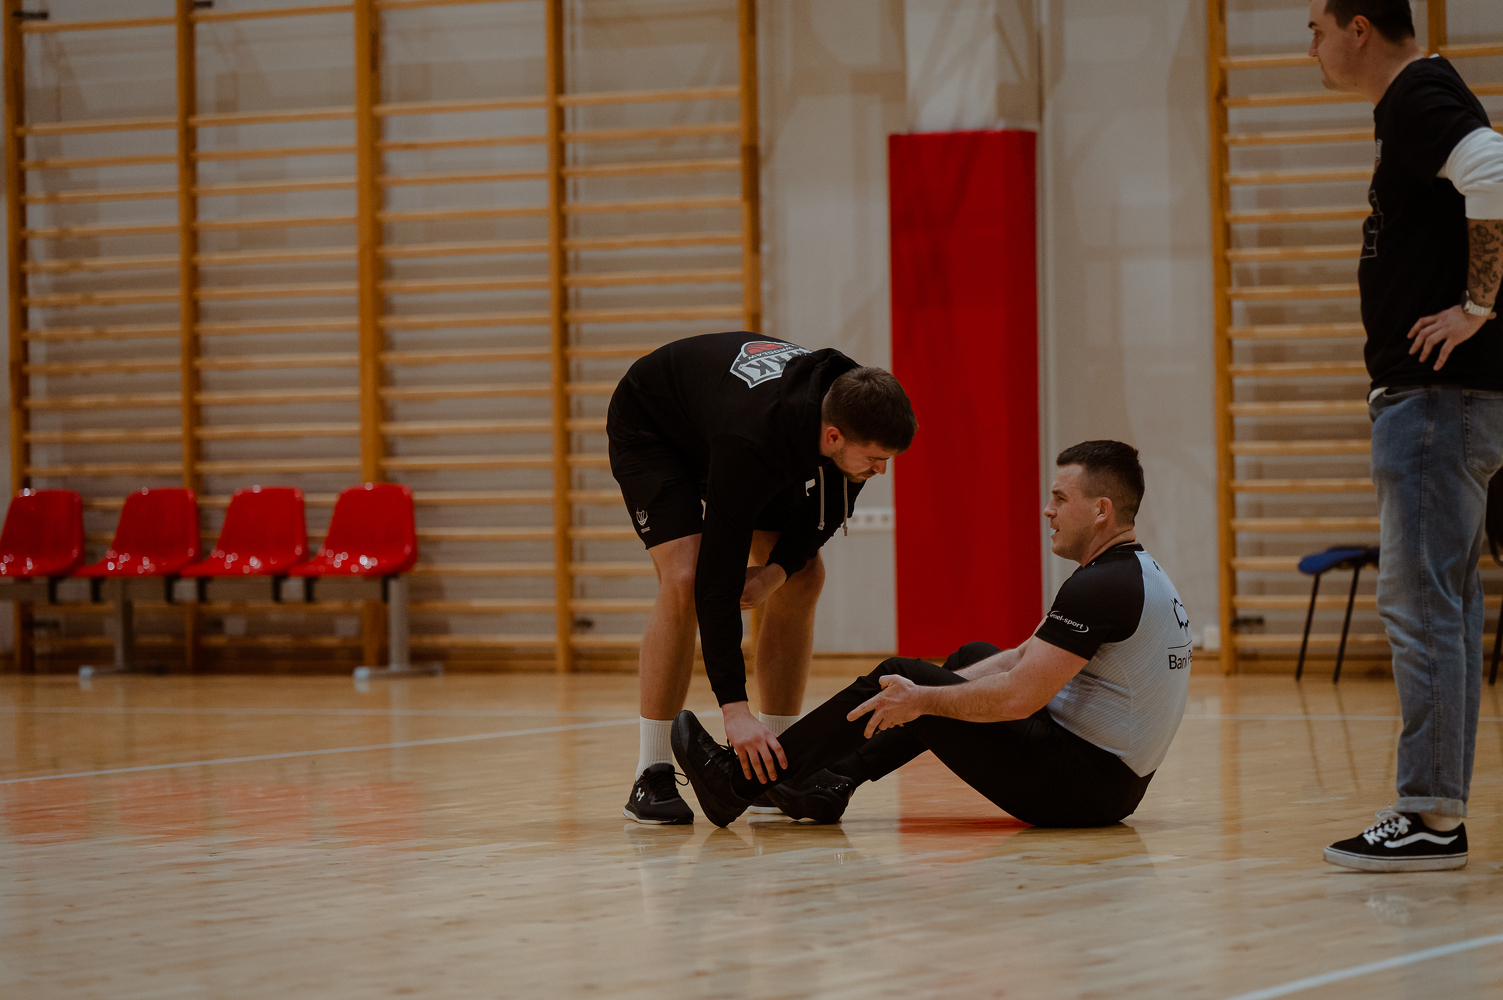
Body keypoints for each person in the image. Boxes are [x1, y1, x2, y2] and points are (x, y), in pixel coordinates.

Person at [671, 440, 1194, 829]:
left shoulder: (1100, 588)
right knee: (967, 658)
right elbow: (1019, 657)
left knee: (900, 678)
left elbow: (1018, 697)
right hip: (1108, 781)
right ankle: (831, 781)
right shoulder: (1132, 572)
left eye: (1060, 498)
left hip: (1082, 789)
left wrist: (922, 700)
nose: (1048, 510)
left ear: (1101, 510)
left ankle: (737, 782)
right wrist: (929, 696)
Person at [1305, 0, 1503, 871]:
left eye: (1315, 29)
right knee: (1443, 610)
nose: (1309, 48)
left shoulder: (1419, 94)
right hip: (1444, 404)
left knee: (1421, 610)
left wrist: (1476, 307)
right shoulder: (1417, 102)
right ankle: (1437, 810)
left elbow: (1495, 167)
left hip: (1432, 402)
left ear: (1358, 28)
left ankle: (1427, 816)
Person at [609, 331, 918, 824]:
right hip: (656, 425)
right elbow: (717, 581)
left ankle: (776, 763)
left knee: (802, 577)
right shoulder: (753, 441)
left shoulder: (855, 406)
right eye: (875, 459)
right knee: (686, 578)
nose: (882, 471)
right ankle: (652, 771)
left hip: (736, 420)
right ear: (833, 437)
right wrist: (734, 709)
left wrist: (774, 573)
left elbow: (822, 515)